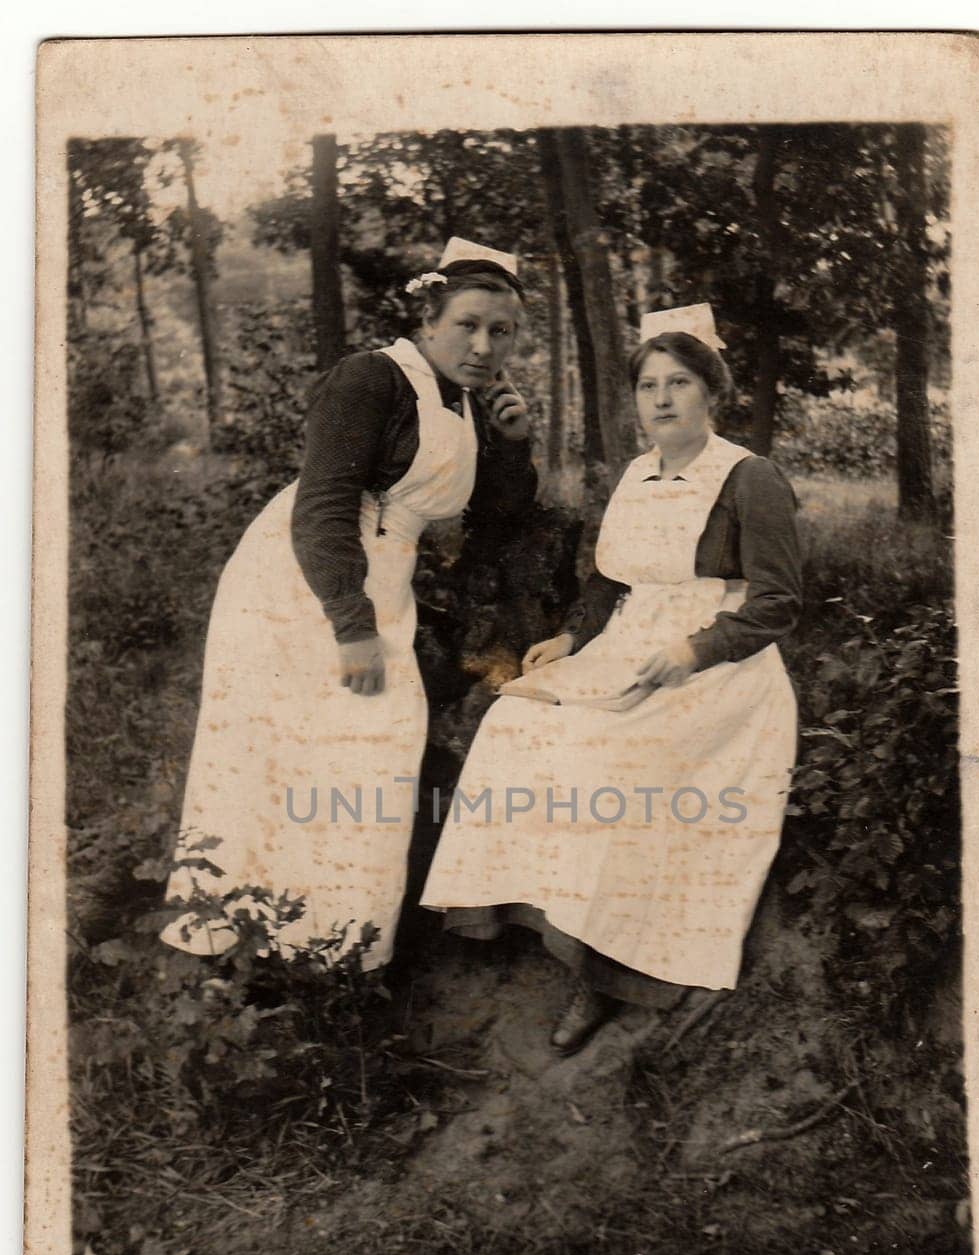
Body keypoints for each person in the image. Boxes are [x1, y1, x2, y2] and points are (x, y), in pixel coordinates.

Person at [421, 303, 802, 1054]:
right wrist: (572, 638)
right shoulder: (635, 473)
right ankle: (528, 914)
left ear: (711, 393)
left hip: (721, 672)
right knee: (516, 722)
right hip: (628, 645)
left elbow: (778, 603)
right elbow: (607, 581)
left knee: (615, 764)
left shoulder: (748, 479)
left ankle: (603, 973)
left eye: (680, 383)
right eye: (648, 385)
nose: (661, 400)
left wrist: (695, 651)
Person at [162, 237, 536, 964]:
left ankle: (327, 952)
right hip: (302, 582)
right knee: (277, 754)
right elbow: (323, 504)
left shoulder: (464, 403)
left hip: (382, 581)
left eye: (503, 330)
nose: (485, 344)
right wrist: (352, 626)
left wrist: (515, 444)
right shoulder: (373, 378)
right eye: (468, 323)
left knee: (360, 760)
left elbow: (498, 516)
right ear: (429, 318)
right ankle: (237, 945)